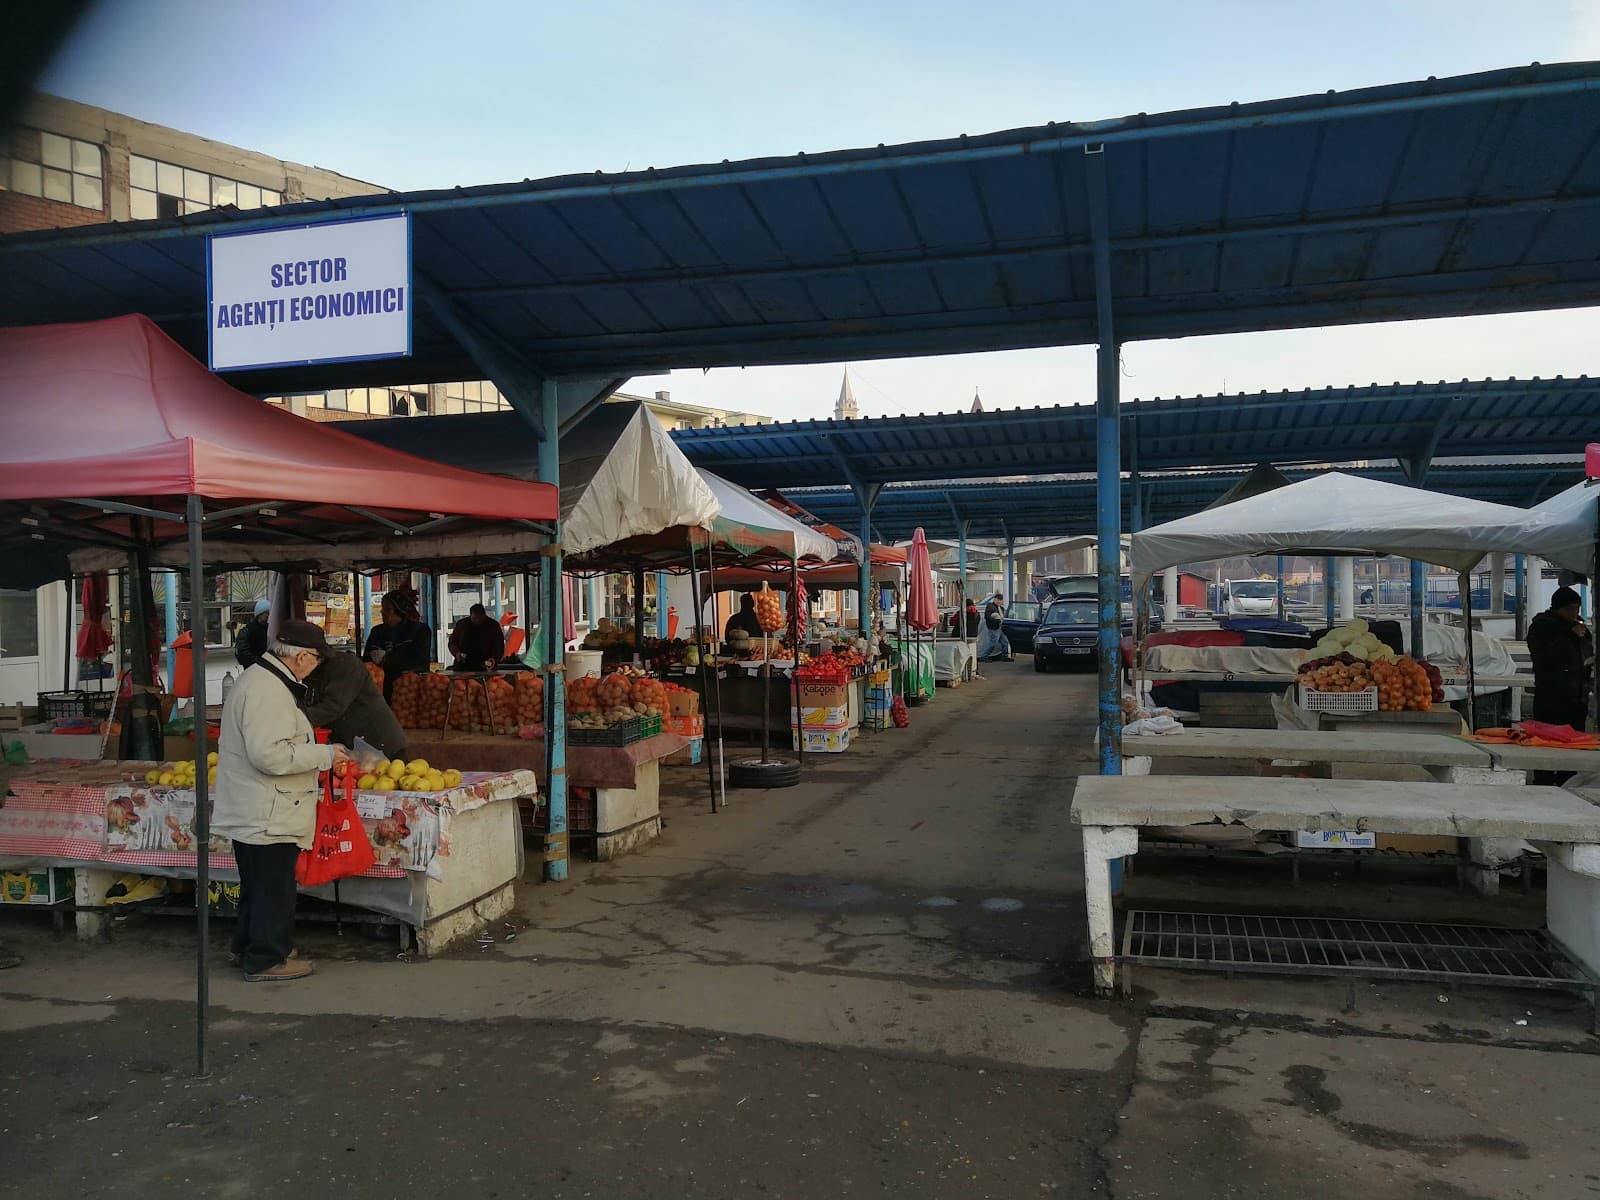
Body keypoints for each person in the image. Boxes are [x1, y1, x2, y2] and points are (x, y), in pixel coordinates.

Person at [212, 620, 351, 983]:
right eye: (318, 659)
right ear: (303, 657)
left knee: (259, 884)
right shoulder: (267, 690)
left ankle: (248, 945)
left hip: (259, 806)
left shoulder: (259, 680)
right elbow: (269, 756)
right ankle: (265, 957)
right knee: (273, 887)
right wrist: (323, 755)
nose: (317, 666)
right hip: (267, 808)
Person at [301, 650, 408, 760]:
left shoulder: (346, 666)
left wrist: (294, 722)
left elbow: (332, 707)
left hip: (379, 744)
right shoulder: (311, 672)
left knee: (393, 775)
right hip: (352, 747)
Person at [1528, 586, 1593, 731]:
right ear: (1558, 608)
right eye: (1570, 608)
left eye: (1577, 608)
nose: (1574, 613)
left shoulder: (1577, 625)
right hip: (1552, 697)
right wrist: (1569, 635)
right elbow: (1544, 657)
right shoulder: (1542, 626)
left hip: (1577, 698)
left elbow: (1588, 651)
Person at [363, 588, 433, 701]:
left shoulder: (420, 630)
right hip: (380, 692)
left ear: (399, 610)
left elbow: (420, 661)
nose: (382, 612)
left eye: (387, 609)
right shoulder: (377, 631)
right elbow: (366, 661)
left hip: (409, 691)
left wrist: (387, 659)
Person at [448, 604, 506, 671]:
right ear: (470, 616)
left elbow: (499, 645)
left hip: (486, 664)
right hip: (463, 664)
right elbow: (452, 642)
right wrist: (457, 653)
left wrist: (494, 658)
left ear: (484, 615)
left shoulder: (493, 626)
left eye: (480, 618)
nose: (477, 621)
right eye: (474, 618)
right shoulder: (462, 625)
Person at [233, 598, 271, 668]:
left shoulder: (270, 629)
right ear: (259, 614)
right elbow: (242, 653)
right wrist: (259, 662)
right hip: (252, 669)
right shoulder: (247, 630)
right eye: (267, 613)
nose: (269, 616)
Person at [978, 592, 1013, 662]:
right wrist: (995, 620)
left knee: (1004, 642)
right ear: (995, 599)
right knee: (993, 642)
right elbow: (987, 616)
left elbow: (1003, 617)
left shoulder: (1001, 608)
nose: (999, 601)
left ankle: (1005, 656)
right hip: (993, 628)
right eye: (998, 600)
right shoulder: (990, 606)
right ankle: (984, 656)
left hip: (999, 628)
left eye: (1000, 600)